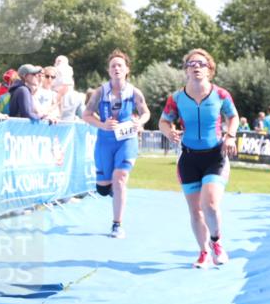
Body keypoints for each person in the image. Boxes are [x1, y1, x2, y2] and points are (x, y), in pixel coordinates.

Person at [159, 48, 239, 269]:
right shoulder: (176, 98)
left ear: (209, 69)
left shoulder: (220, 94)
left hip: (216, 156)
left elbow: (233, 116)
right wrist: (169, 132)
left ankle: (216, 242)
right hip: (189, 159)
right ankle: (203, 252)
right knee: (195, 210)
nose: (196, 67)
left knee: (210, 204)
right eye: (191, 63)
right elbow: (163, 122)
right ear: (185, 70)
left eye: (201, 64)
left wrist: (230, 136)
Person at [82, 50, 149, 238]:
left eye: (120, 65)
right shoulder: (100, 92)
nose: (116, 68)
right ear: (108, 71)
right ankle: (110, 189)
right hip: (105, 141)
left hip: (127, 140)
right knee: (103, 189)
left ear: (127, 69)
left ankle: (117, 224)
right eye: (113, 66)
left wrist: (140, 121)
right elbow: (86, 115)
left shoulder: (134, 92)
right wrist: (102, 124)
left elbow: (146, 112)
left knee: (120, 177)